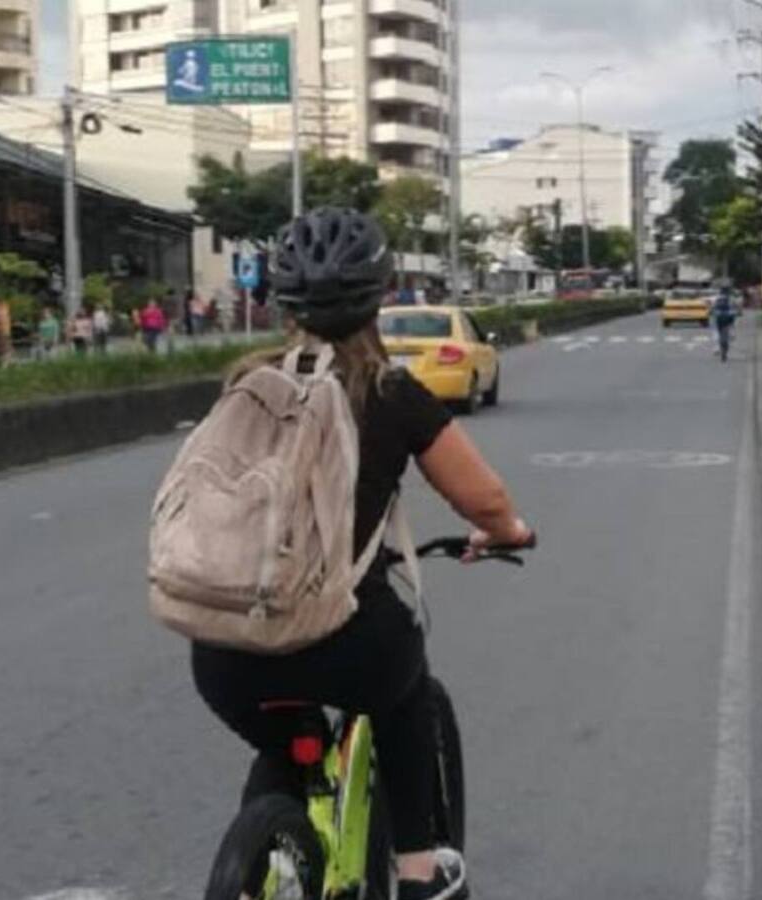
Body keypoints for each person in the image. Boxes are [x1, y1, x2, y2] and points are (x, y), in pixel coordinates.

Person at [191, 208, 532, 900]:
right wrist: (506, 535)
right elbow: (486, 501)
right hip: (345, 641)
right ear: (381, 297)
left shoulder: (243, 386)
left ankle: (273, 849)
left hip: (225, 646)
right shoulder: (392, 394)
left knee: (282, 741)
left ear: (283, 304)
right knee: (406, 700)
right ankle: (417, 871)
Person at [712, 283, 737, 362]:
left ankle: (718, 348)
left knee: (717, 332)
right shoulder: (731, 298)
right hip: (726, 319)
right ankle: (720, 347)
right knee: (729, 331)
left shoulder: (717, 298)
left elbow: (712, 308)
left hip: (721, 319)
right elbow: (735, 308)